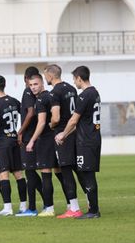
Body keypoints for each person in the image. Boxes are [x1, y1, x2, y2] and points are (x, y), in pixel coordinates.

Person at [55, 66, 102, 219]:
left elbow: (74, 120)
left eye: (75, 79)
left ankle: (94, 211)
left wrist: (63, 134)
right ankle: (92, 208)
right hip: (94, 138)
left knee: (87, 175)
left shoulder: (84, 96)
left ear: (79, 78)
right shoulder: (95, 93)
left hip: (86, 140)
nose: (74, 83)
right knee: (87, 174)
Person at [45, 64, 83, 218]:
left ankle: (74, 208)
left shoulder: (54, 92)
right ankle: (90, 202)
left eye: (45, 75)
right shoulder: (71, 89)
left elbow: (56, 117)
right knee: (78, 171)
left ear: (50, 76)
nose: (45, 78)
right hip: (74, 132)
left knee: (66, 171)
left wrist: (50, 125)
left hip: (62, 135)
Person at [0, 75, 28, 216]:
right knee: (18, 174)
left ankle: (8, 207)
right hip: (14, 141)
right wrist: (20, 132)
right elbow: (25, 116)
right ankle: (23, 205)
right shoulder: (14, 101)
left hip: (2, 144)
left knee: (3, 174)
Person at [26, 74, 56, 217]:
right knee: (62, 174)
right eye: (31, 85)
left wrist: (32, 140)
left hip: (46, 140)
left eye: (35, 84)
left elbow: (42, 122)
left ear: (42, 83)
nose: (33, 87)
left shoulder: (41, 100)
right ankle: (72, 205)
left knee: (46, 174)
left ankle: (49, 208)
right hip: (57, 138)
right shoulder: (52, 96)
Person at [17, 66, 44, 217]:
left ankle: (32, 207)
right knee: (32, 172)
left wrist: (20, 131)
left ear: (25, 78)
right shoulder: (36, 93)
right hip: (35, 135)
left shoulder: (27, 91)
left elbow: (31, 113)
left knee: (30, 172)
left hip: (29, 136)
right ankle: (47, 202)